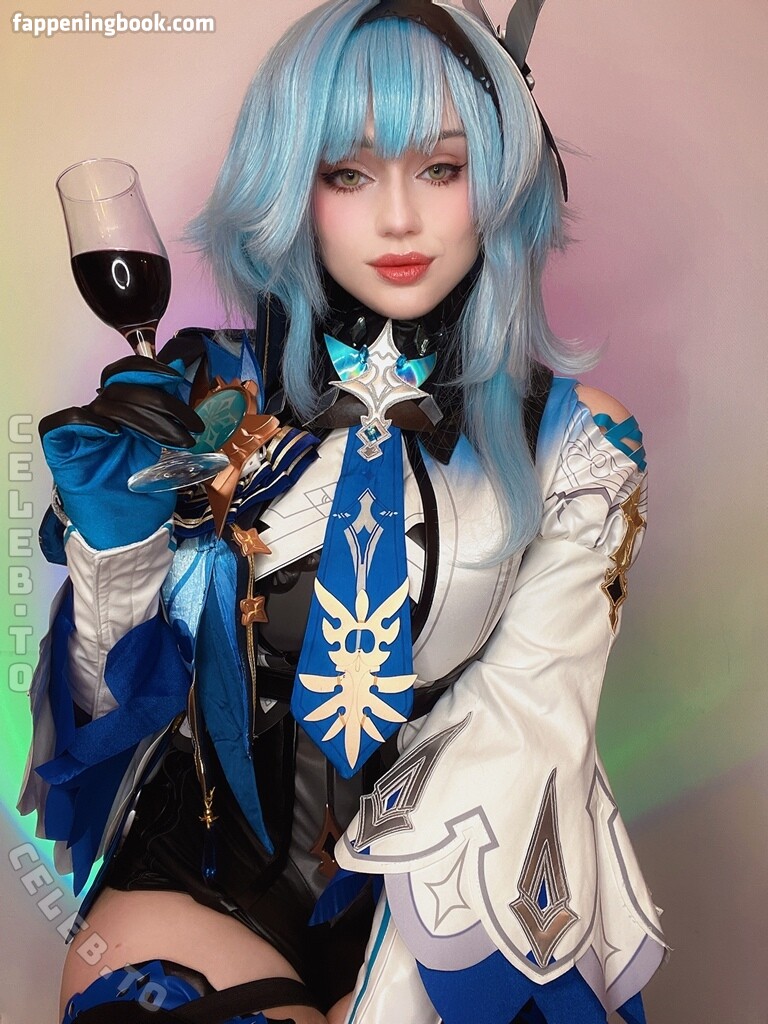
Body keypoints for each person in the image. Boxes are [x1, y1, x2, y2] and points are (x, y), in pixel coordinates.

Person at [19, 1, 666, 1021]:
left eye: (442, 169)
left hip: (463, 871)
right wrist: (117, 539)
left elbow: (526, 729)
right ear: (293, 185)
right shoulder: (204, 393)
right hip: (204, 878)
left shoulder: (581, 445)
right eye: (349, 174)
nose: (399, 219)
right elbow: (112, 711)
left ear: (502, 179)